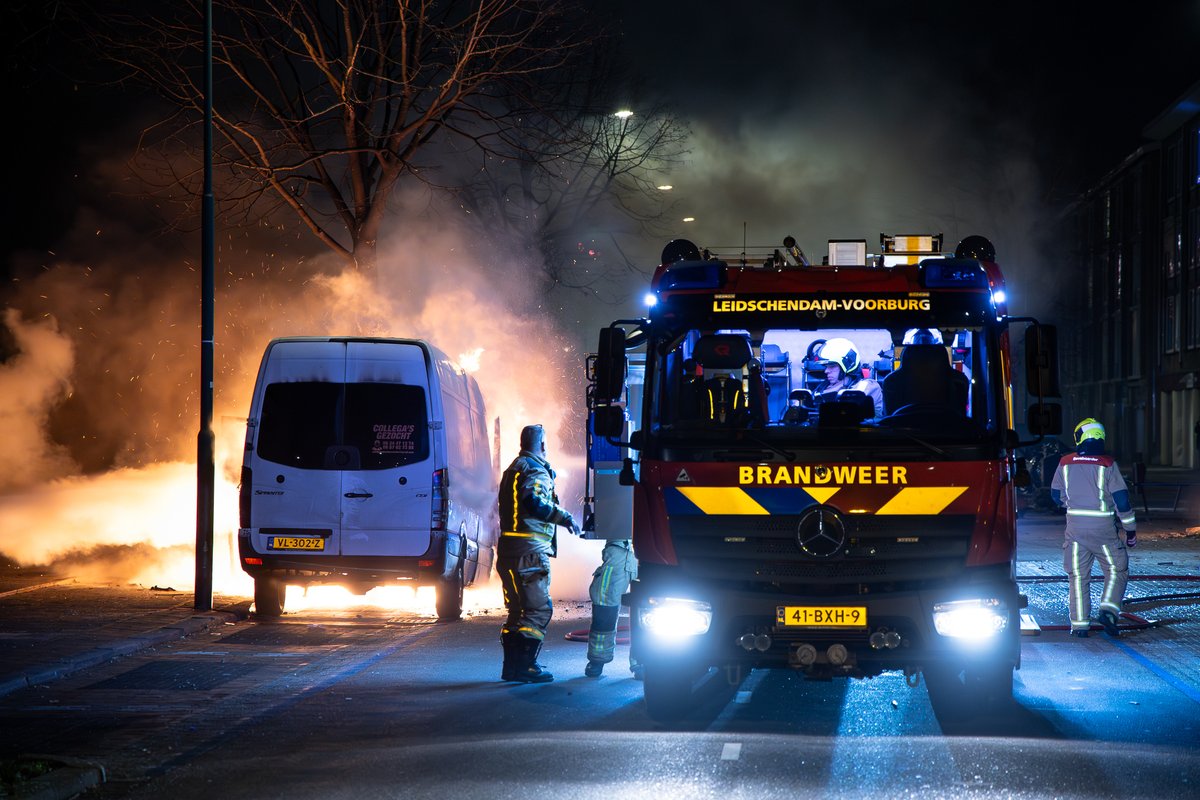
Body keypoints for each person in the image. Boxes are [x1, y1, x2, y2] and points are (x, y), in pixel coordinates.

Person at [496, 424, 581, 683]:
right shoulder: (535, 470)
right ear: (543, 446)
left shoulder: (514, 468)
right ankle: (526, 667)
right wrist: (564, 517)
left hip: (508, 551)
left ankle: (511, 668)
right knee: (538, 611)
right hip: (530, 553)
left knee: (517, 612)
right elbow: (534, 501)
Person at [1049, 418, 1137, 638]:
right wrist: (1130, 529)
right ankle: (1108, 610)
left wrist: (1073, 504)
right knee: (1117, 569)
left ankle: (1079, 625)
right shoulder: (1108, 464)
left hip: (1075, 531)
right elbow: (1122, 501)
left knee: (1078, 576)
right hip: (1104, 531)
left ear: (1080, 437)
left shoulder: (1065, 462)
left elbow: (1055, 495)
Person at [584, 538, 641, 679]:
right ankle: (598, 659)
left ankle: (642, 660)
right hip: (619, 549)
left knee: (646, 609)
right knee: (605, 606)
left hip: (650, 548)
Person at [813, 337, 884, 417]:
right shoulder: (823, 387)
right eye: (826, 366)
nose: (826, 371)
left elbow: (851, 408)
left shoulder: (868, 386)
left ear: (847, 364)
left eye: (832, 366)